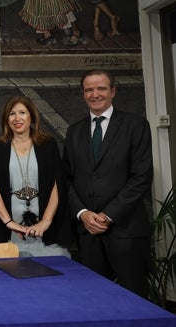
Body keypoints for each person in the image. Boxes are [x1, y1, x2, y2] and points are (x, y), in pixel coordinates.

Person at [63, 70, 152, 297]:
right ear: (83, 94)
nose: (95, 94)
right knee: (94, 300)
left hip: (125, 231)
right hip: (88, 232)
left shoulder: (135, 125)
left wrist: (107, 215)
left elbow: (141, 176)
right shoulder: (74, 131)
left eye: (101, 88)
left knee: (134, 298)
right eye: (89, 90)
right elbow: (66, 179)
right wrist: (83, 213)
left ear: (113, 91)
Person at [0, 96, 71, 258]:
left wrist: (45, 222)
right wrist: (9, 223)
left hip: (45, 229)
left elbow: (58, 185)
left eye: (22, 112)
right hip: (8, 230)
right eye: (12, 114)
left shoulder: (48, 145)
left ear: (32, 116)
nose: (17, 118)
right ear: (6, 119)